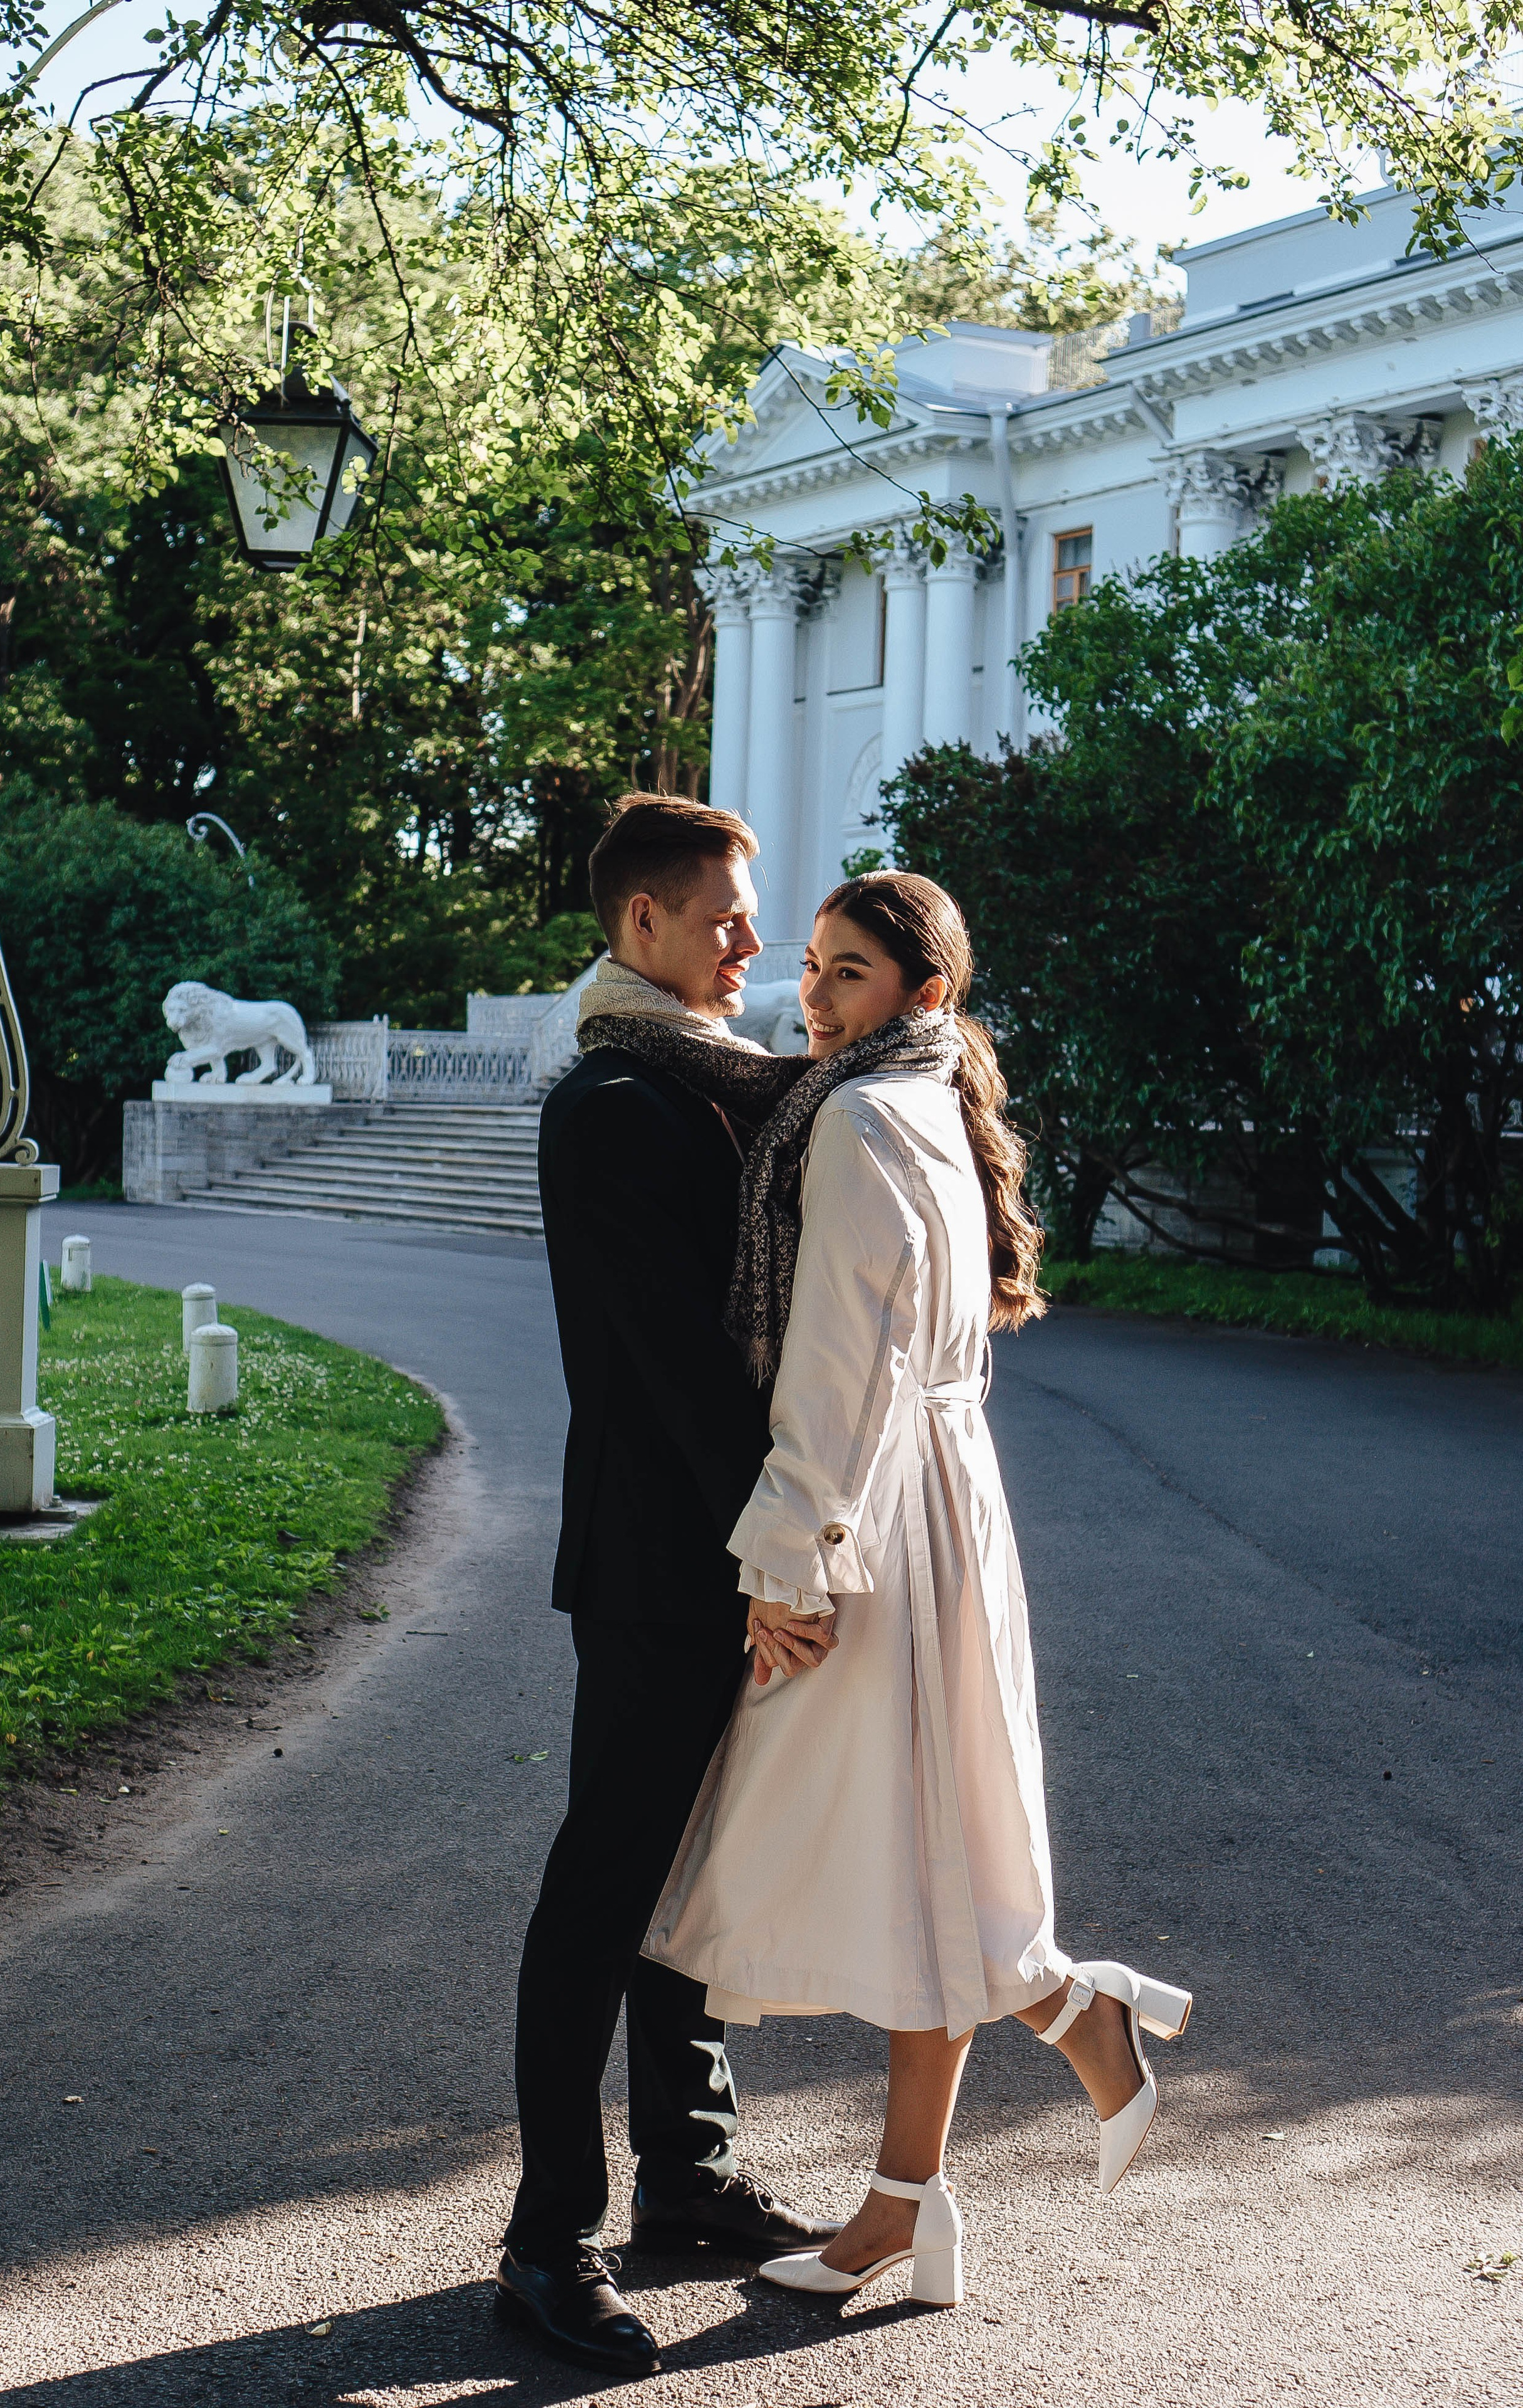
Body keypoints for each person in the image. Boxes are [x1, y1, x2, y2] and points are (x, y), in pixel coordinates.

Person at [640, 869, 1193, 2306]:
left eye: (844, 976)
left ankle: (1034, 2053)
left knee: (887, 1847)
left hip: (878, 1511)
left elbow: (839, 1366)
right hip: (937, 1494)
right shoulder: (927, 1105)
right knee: (918, 1847)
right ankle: (945, 2159)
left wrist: (788, 1566)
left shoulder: (860, 1119)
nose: (807, 999)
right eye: (809, 968)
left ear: (923, 996)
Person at [497, 796, 838, 2379]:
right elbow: (683, 1377)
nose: (749, 943)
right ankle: (547, 2241)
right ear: (641, 922)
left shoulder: (716, 1090)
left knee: (691, 1880)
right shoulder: (611, 1104)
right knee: (605, 1890)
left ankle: (686, 2179)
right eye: (721, 917)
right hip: (660, 1560)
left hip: (726, 1539)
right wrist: (768, 1557)